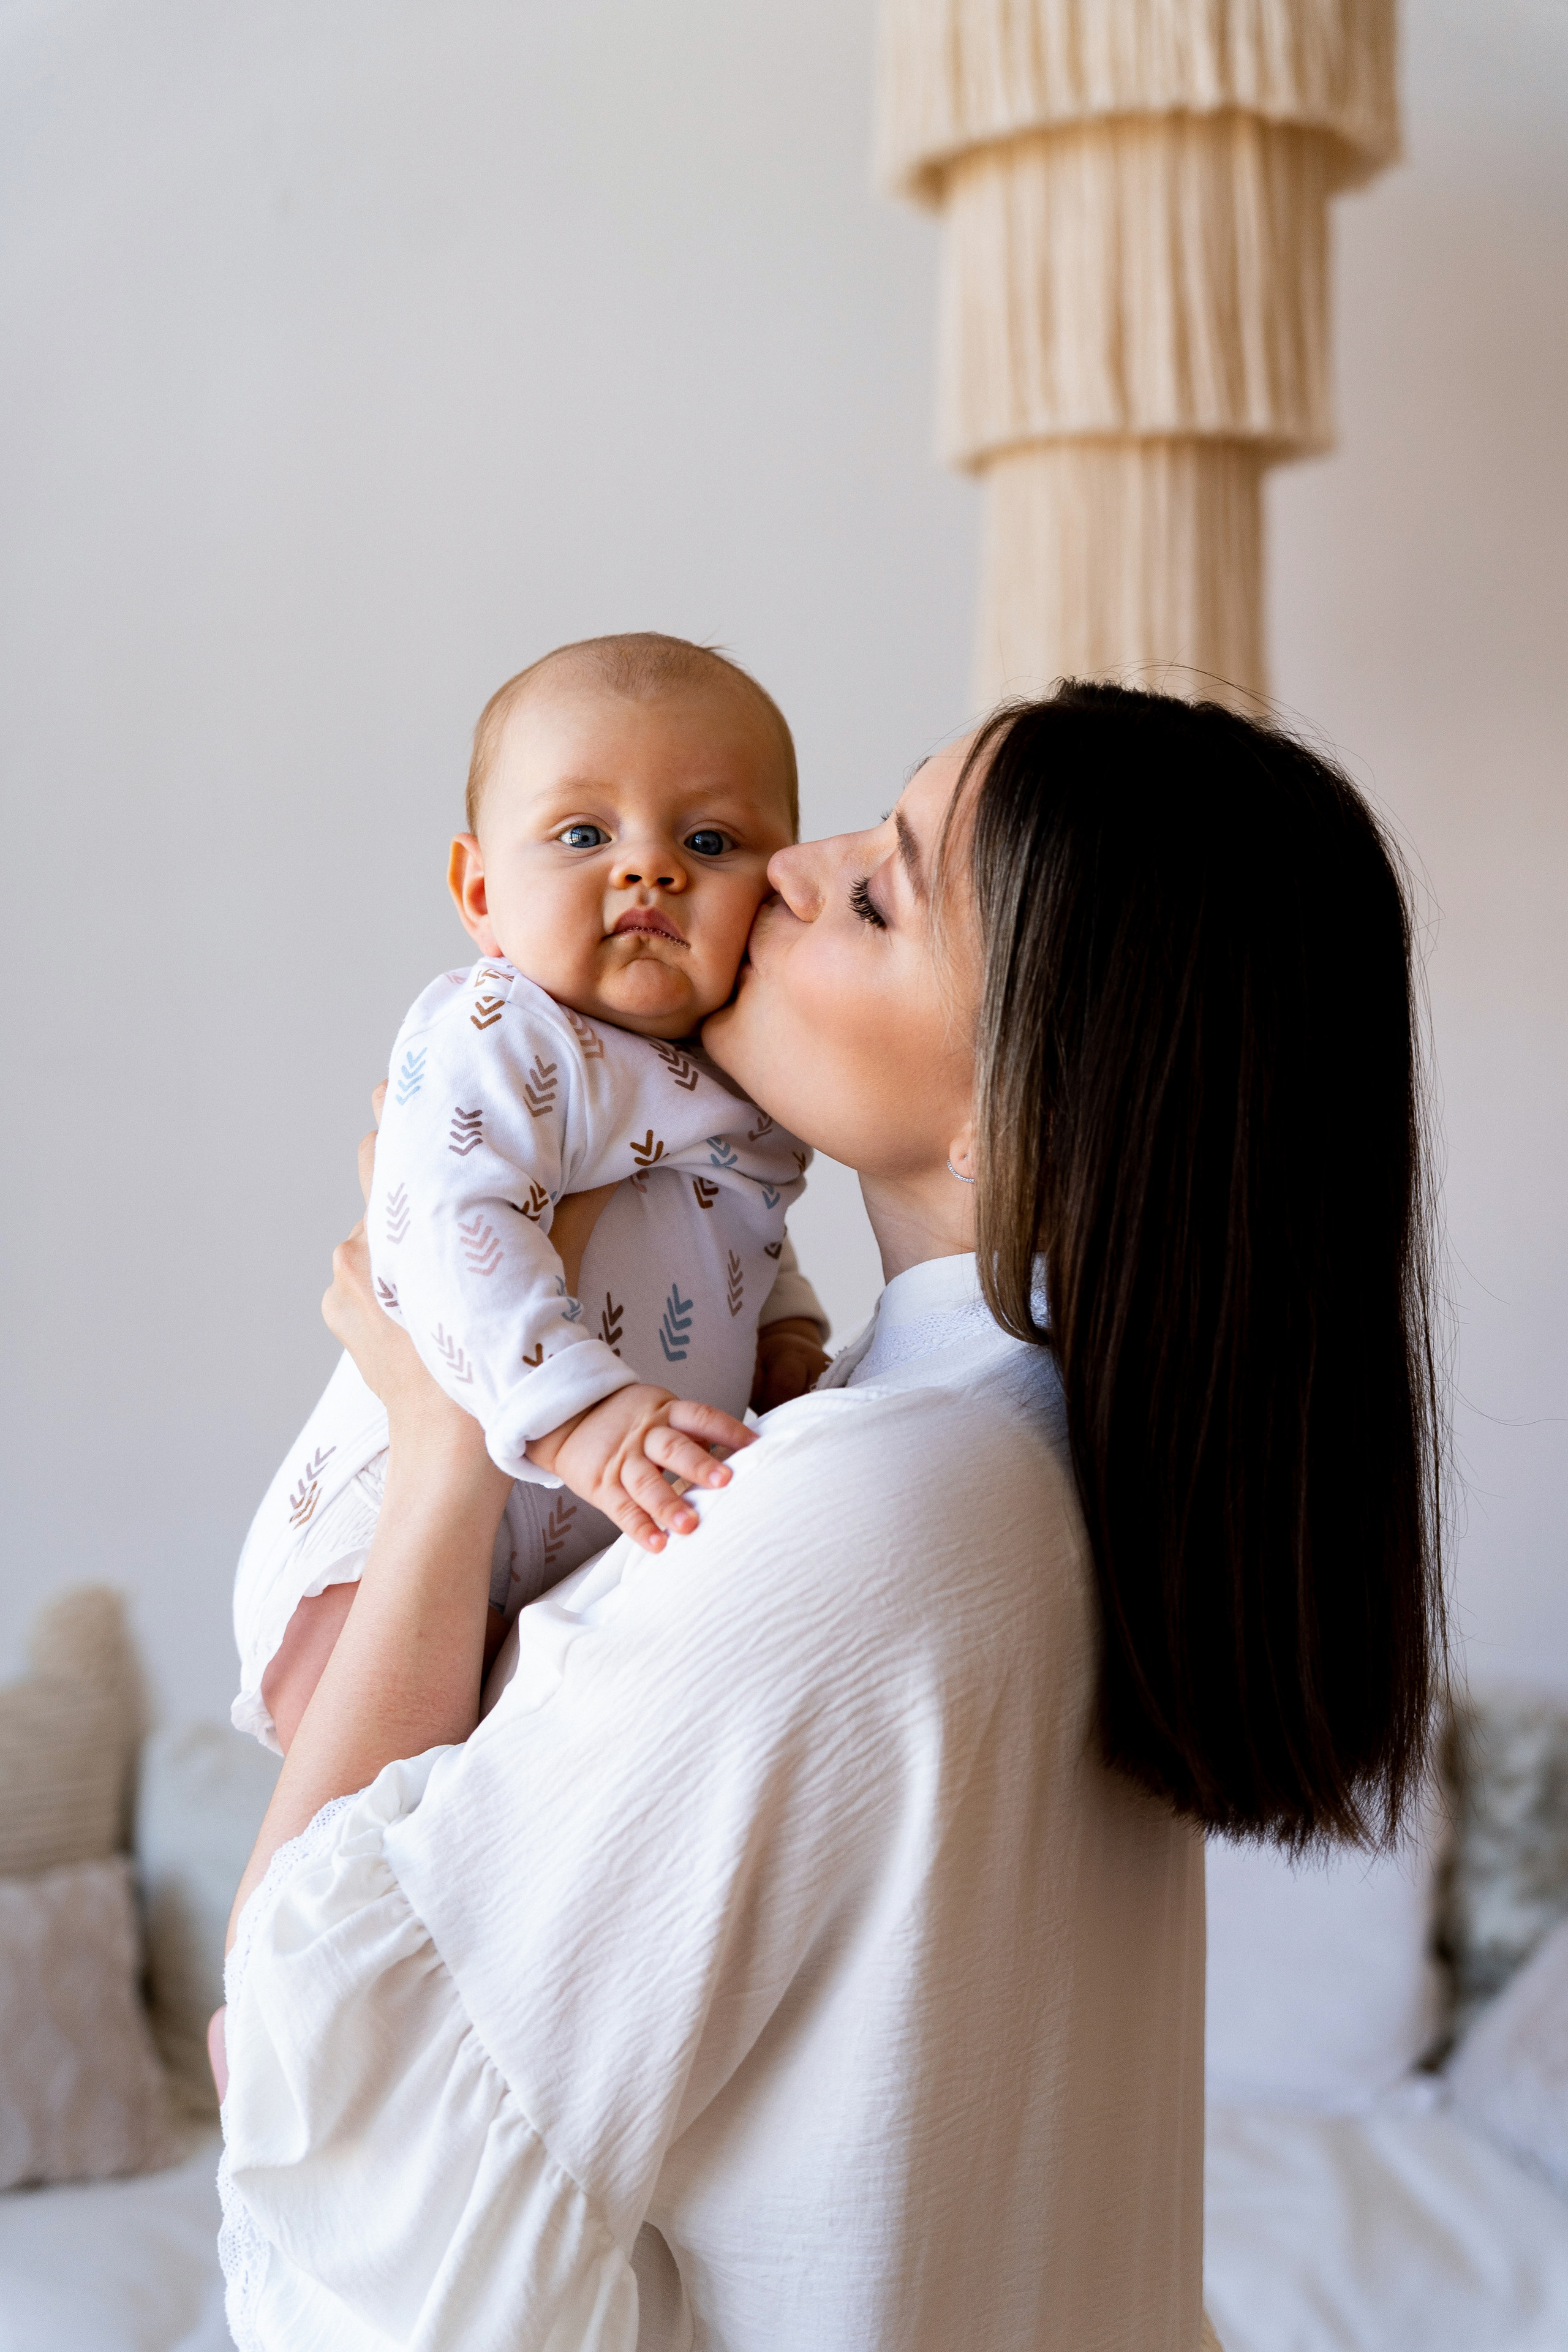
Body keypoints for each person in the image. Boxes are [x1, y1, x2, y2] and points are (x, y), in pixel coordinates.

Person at [216, 682, 1446, 2351]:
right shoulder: (1044, 1466)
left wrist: (447, 1441)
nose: (782, 871)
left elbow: (321, 2114)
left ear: (1028, 1102)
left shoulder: (872, 1516)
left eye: (876, 894)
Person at [231, 632, 829, 1758]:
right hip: (392, 1526)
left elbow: (738, 1220)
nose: (649, 870)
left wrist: (784, 1329)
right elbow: (444, 1226)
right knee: (364, 1759)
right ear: (480, 891)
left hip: (584, 1529)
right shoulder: (503, 1029)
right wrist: (579, 1414)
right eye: (584, 834)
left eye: (709, 841)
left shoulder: (743, 1074)